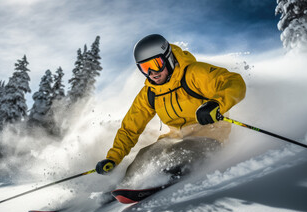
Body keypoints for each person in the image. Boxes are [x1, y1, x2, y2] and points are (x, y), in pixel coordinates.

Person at [95, 34, 246, 181]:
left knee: (181, 151)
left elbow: (233, 82)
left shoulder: (193, 73)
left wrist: (216, 104)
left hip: (209, 134)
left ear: (168, 59)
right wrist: (113, 158)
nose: (152, 73)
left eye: (155, 65)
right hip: (176, 137)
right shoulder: (150, 92)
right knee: (144, 156)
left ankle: (161, 180)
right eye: (145, 68)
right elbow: (130, 128)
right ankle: (127, 186)